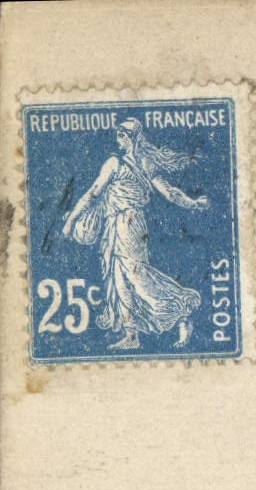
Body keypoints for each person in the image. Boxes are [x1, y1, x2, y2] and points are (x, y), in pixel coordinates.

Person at [61, 118, 209, 351]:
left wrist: (71, 221)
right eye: (118, 134)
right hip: (117, 224)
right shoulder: (133, 162)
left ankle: (182, 309)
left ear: (133, 138)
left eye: (123, 135)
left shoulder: (119, 163)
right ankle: (132, 334)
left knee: (136, 277)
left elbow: (93, 193)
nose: (118, 138)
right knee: (120, 281)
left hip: (127, 224)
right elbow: (96, 193)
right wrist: (194, 203)